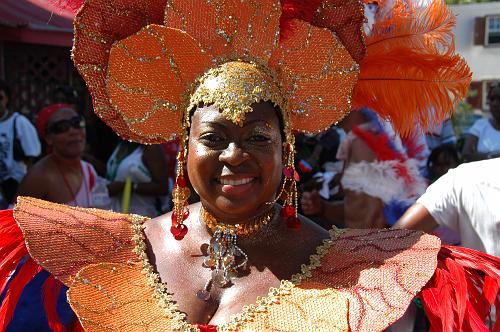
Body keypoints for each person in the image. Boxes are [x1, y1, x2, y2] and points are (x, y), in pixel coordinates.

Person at [0, 1, 498, 332]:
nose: (234, 155)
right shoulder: (108, 250)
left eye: (258, 138)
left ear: (286, 151)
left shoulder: (365, 274)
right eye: (213, 138)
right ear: (184, 148)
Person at [394, 158, 500, 257]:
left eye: (447, 164)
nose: (442, 168)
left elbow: (390, 241)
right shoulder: (461, 180)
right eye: (438, 164)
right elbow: (392, 240)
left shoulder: (462, 178)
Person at [16, 104, 97, 207]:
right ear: (49, 138)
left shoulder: (89, 170)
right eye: (62, 127)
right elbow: (14, 220)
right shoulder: (40, 178)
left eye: (77, 123)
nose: (73, 131)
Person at [0, 79, 41, 207]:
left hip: (16, 188)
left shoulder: (19, 122)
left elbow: (34, 158)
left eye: (0, 98)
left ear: (7, 99)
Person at [106, 140, 169, 216]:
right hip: (118, 215)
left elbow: (162, 187)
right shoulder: (122, 144)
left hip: (145, 217)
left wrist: (129, 186)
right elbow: (113, 172)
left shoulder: (152, 148)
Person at [462, 83, 500, 161]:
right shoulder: (480, 125)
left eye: (499, 99)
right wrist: (491, 157)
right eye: (492, 99)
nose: (495, 104)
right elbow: (466, 154)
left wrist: (482, 156)